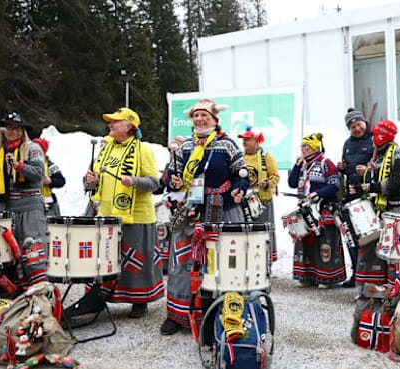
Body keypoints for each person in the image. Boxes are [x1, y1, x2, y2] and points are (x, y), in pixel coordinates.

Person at [161, 99, 249, 335]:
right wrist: (174, 181)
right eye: (196, 116)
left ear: (215, 119)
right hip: (191, 210)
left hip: (223, 210)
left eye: (204, 116)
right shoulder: (185, 146)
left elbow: (242, 174)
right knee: (182, 261)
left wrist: (240, 187)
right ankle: (177, 314)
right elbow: (171, 175)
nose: (199, 120)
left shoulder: (227, 145)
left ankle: (226, 312)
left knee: (224, 261)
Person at [83, 107, 165, 318]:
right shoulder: (104, 149)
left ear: (129, 126)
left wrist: (134, 182)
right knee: (108, 257)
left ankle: (139, 300)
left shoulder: (143, 150)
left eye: (115, 121)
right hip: (107, 214)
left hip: (136, 215)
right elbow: (92, 182)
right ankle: (102, 297)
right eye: (110, 121)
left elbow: (155, 183)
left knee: (134, 260)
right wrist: (90, 181)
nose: (110, 124)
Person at [0, 112, 49, 287]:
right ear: (2, 131)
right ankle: (10, 293)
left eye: (17, 128)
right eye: (9, 128)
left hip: (30, 208)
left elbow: (39, 174)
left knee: (33, 252)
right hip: (7, 209)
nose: (13, 132)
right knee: (5, 254)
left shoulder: (33, 149)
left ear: (22, 131)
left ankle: (40, 293)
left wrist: (19, 166)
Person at [353, 119, 400, 294]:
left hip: (397, 211)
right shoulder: (379, 154)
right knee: (383, 251)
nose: (372, 138)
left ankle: (398, 290)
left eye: (375, 135)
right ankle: (382, 289)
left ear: (382, 136)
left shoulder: (397, 154)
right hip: (384, 209)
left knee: (395, 251)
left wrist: (374, 187)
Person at [287, 133, 346, 288]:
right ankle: (306, 276)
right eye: (302, 147)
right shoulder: (303, 165)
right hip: (305, 209)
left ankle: (326, 278)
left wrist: (317, 194)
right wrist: (297, 165)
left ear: (315, 147)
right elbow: (292, 183)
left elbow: (334, 186)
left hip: (322, 209)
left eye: (306, 146)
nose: (303, 149)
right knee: (305, 241)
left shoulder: (325, 163)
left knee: (323, 242)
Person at [337, 108, 374, 287]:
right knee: (352, 237)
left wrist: (367, 171)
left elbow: (381, 165)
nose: (357, 129)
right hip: (351, 195)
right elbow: (346, 165)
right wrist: (342, 168)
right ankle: (356, 273)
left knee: (370, 237)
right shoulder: (347, 143)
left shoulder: (375, 139)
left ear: (364, 122)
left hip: (370, 195)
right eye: (352, 127)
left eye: (358, 124)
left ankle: (371, 273)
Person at [238, 125, 279, 261]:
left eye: (247, 140)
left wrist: (267, 183)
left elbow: (275, 177)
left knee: (263, 231)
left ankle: (265, 262)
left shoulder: (266, 157)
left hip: (262, 201)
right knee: (245, 232)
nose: (244, 142)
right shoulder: (240, 158)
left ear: (256, 141)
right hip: (243, 202)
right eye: (243, 140)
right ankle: (248, 261)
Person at [33, 138, 65, 217]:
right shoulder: (26, 164)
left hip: (48, 203)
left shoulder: (50, 165)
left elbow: (61, 181)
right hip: (30, 203)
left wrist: (50, 181)